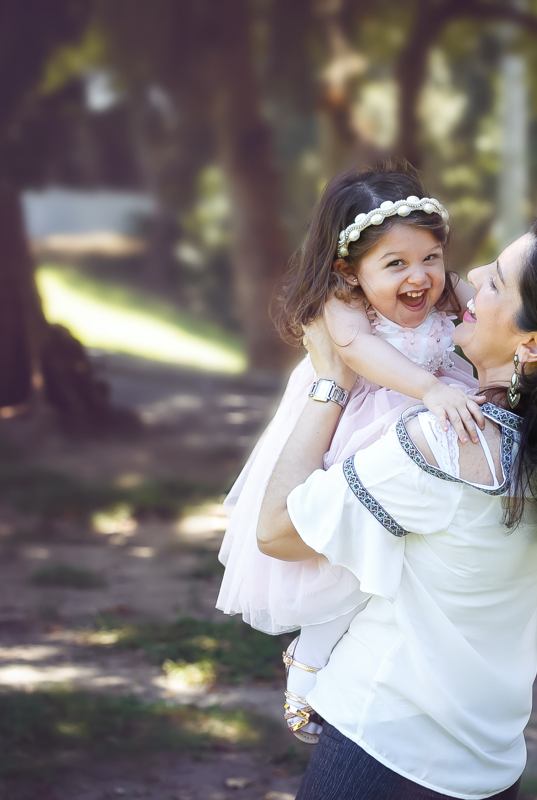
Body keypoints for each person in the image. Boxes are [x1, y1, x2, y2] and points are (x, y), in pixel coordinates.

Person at [256, 216, 537, 799]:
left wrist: (330, 379)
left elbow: (276, 529)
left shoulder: (444, 445)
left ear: (532, 343)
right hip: (489, 761)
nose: (471, 277)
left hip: (383, 751)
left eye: (496, 283)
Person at [216, 166, 487, 744]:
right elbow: (359, 353)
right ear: (349, 270)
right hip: (353, 424)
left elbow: (486, 316)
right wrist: (433, 388)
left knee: (399, 562)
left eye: (431, 257)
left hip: (418, 417)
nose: (422, 277)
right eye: (396, 264)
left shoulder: (450, 287)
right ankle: (308, 664)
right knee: (344, 563)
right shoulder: (342, 306)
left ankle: (378, 662)